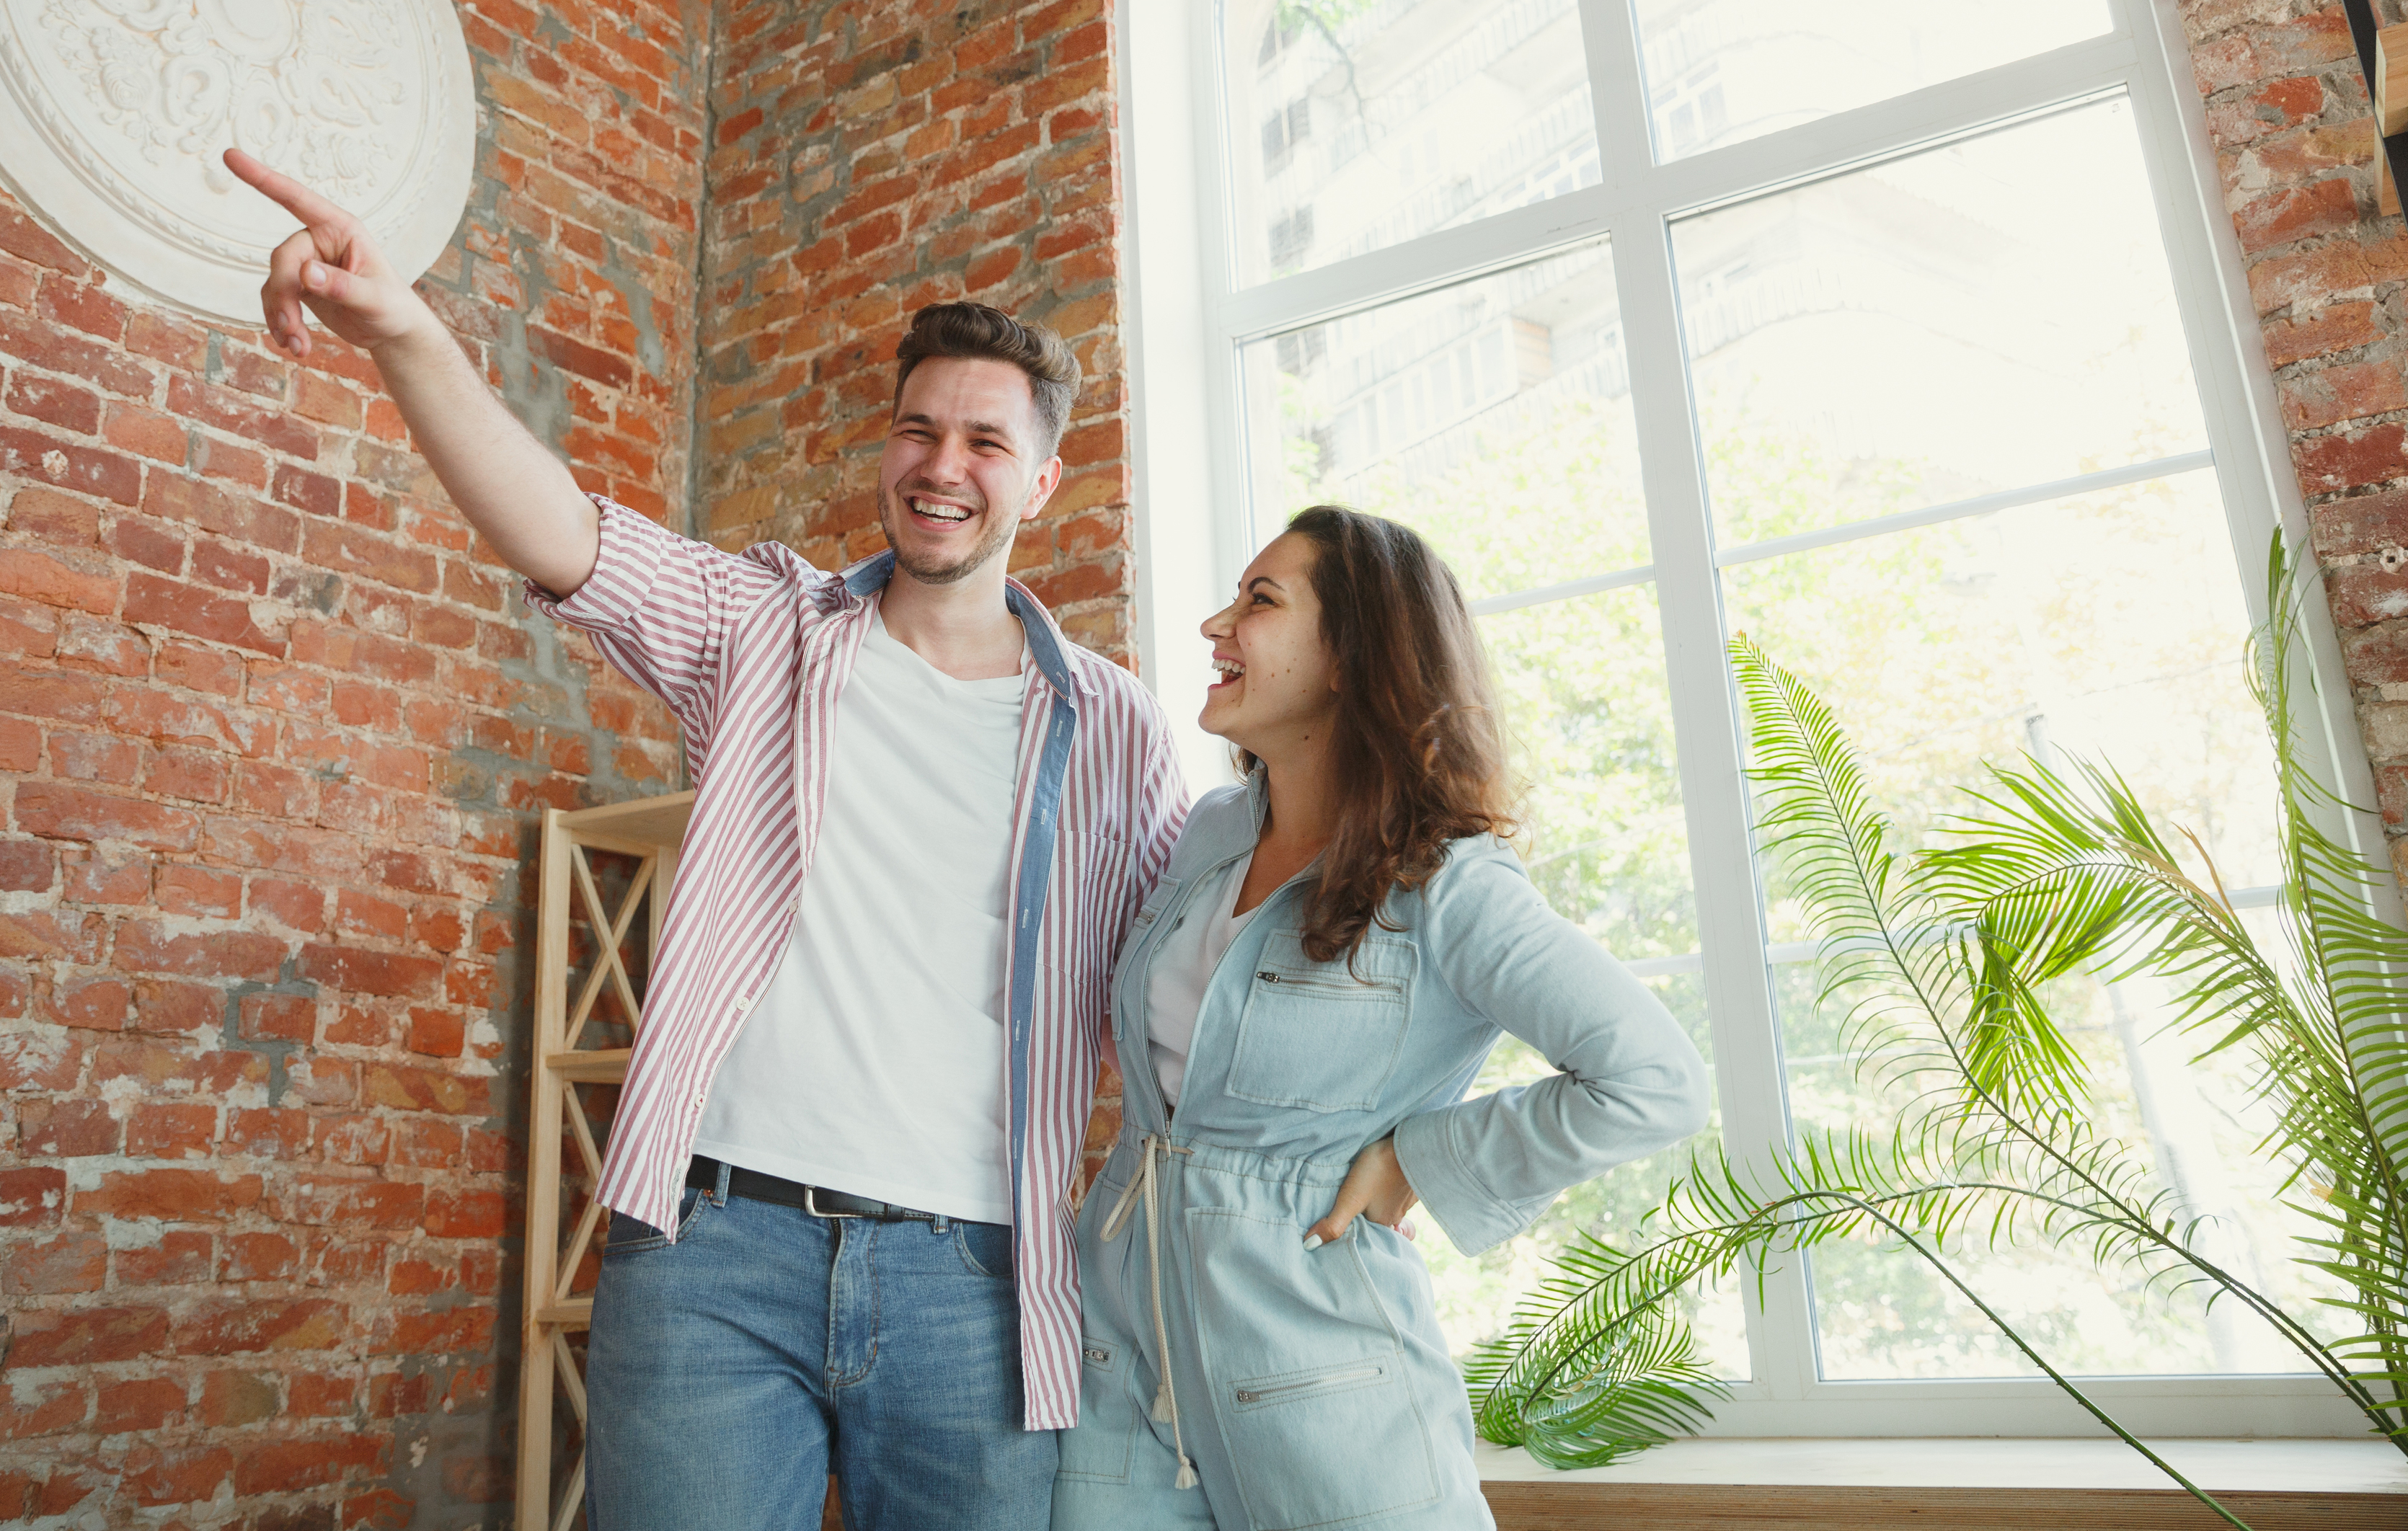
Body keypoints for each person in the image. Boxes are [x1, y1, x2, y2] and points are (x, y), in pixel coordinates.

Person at [231, 147, 1190, 1531]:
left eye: (986, 442)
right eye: (919, 430)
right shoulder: (766, 633)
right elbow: (565, 530)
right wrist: (405, 329)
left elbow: (1179, 988)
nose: (942, 466)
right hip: (713, 1253)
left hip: (978, 1283)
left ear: (1042, 481)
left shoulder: (1115, 727)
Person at [1055, 505, 1710, 1530]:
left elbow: (1655, 1080)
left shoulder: (1448, 883)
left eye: (1259, 601)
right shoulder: (1210, 833)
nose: (1216, 623)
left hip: (1331, 1402)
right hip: (1125, 1385)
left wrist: (1419, 1155)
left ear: (1350, 660)